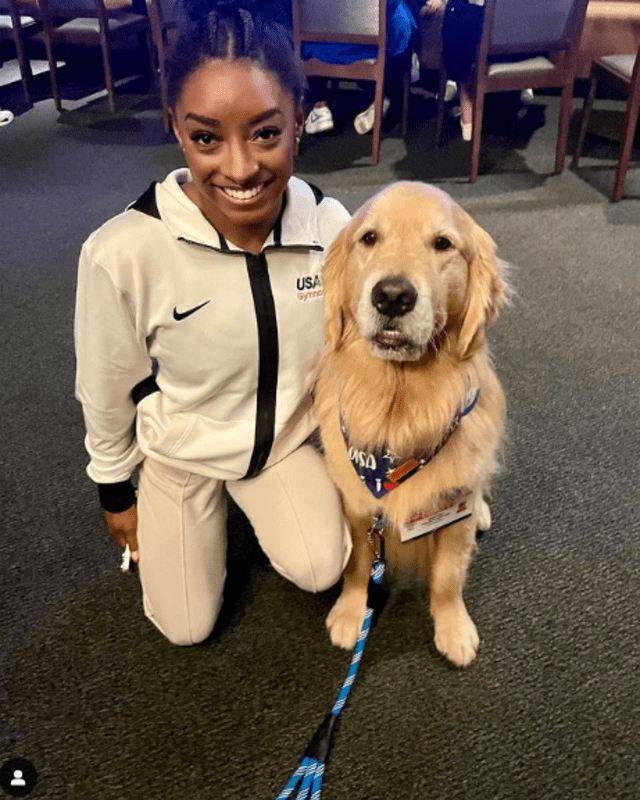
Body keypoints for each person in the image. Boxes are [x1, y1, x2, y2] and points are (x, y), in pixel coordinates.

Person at [74, 2, 352, 646]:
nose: (239, 168)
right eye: (207, 138)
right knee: (186, 628)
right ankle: (185, 505)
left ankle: (259, 503)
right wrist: (114, 490)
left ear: (300, 122)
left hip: (281, 442)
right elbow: (106, 385)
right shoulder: (121, 253)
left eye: (265, 133)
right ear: (176, 127)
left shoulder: (330, 229)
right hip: (182, 452)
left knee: (322, 567)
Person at [302, 0, 417, 135]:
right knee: (399, 35)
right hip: (369, 52)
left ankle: (320, 106)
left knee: (307, 36)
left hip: (320, 51)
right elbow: (401, 34)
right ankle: (382, 101)